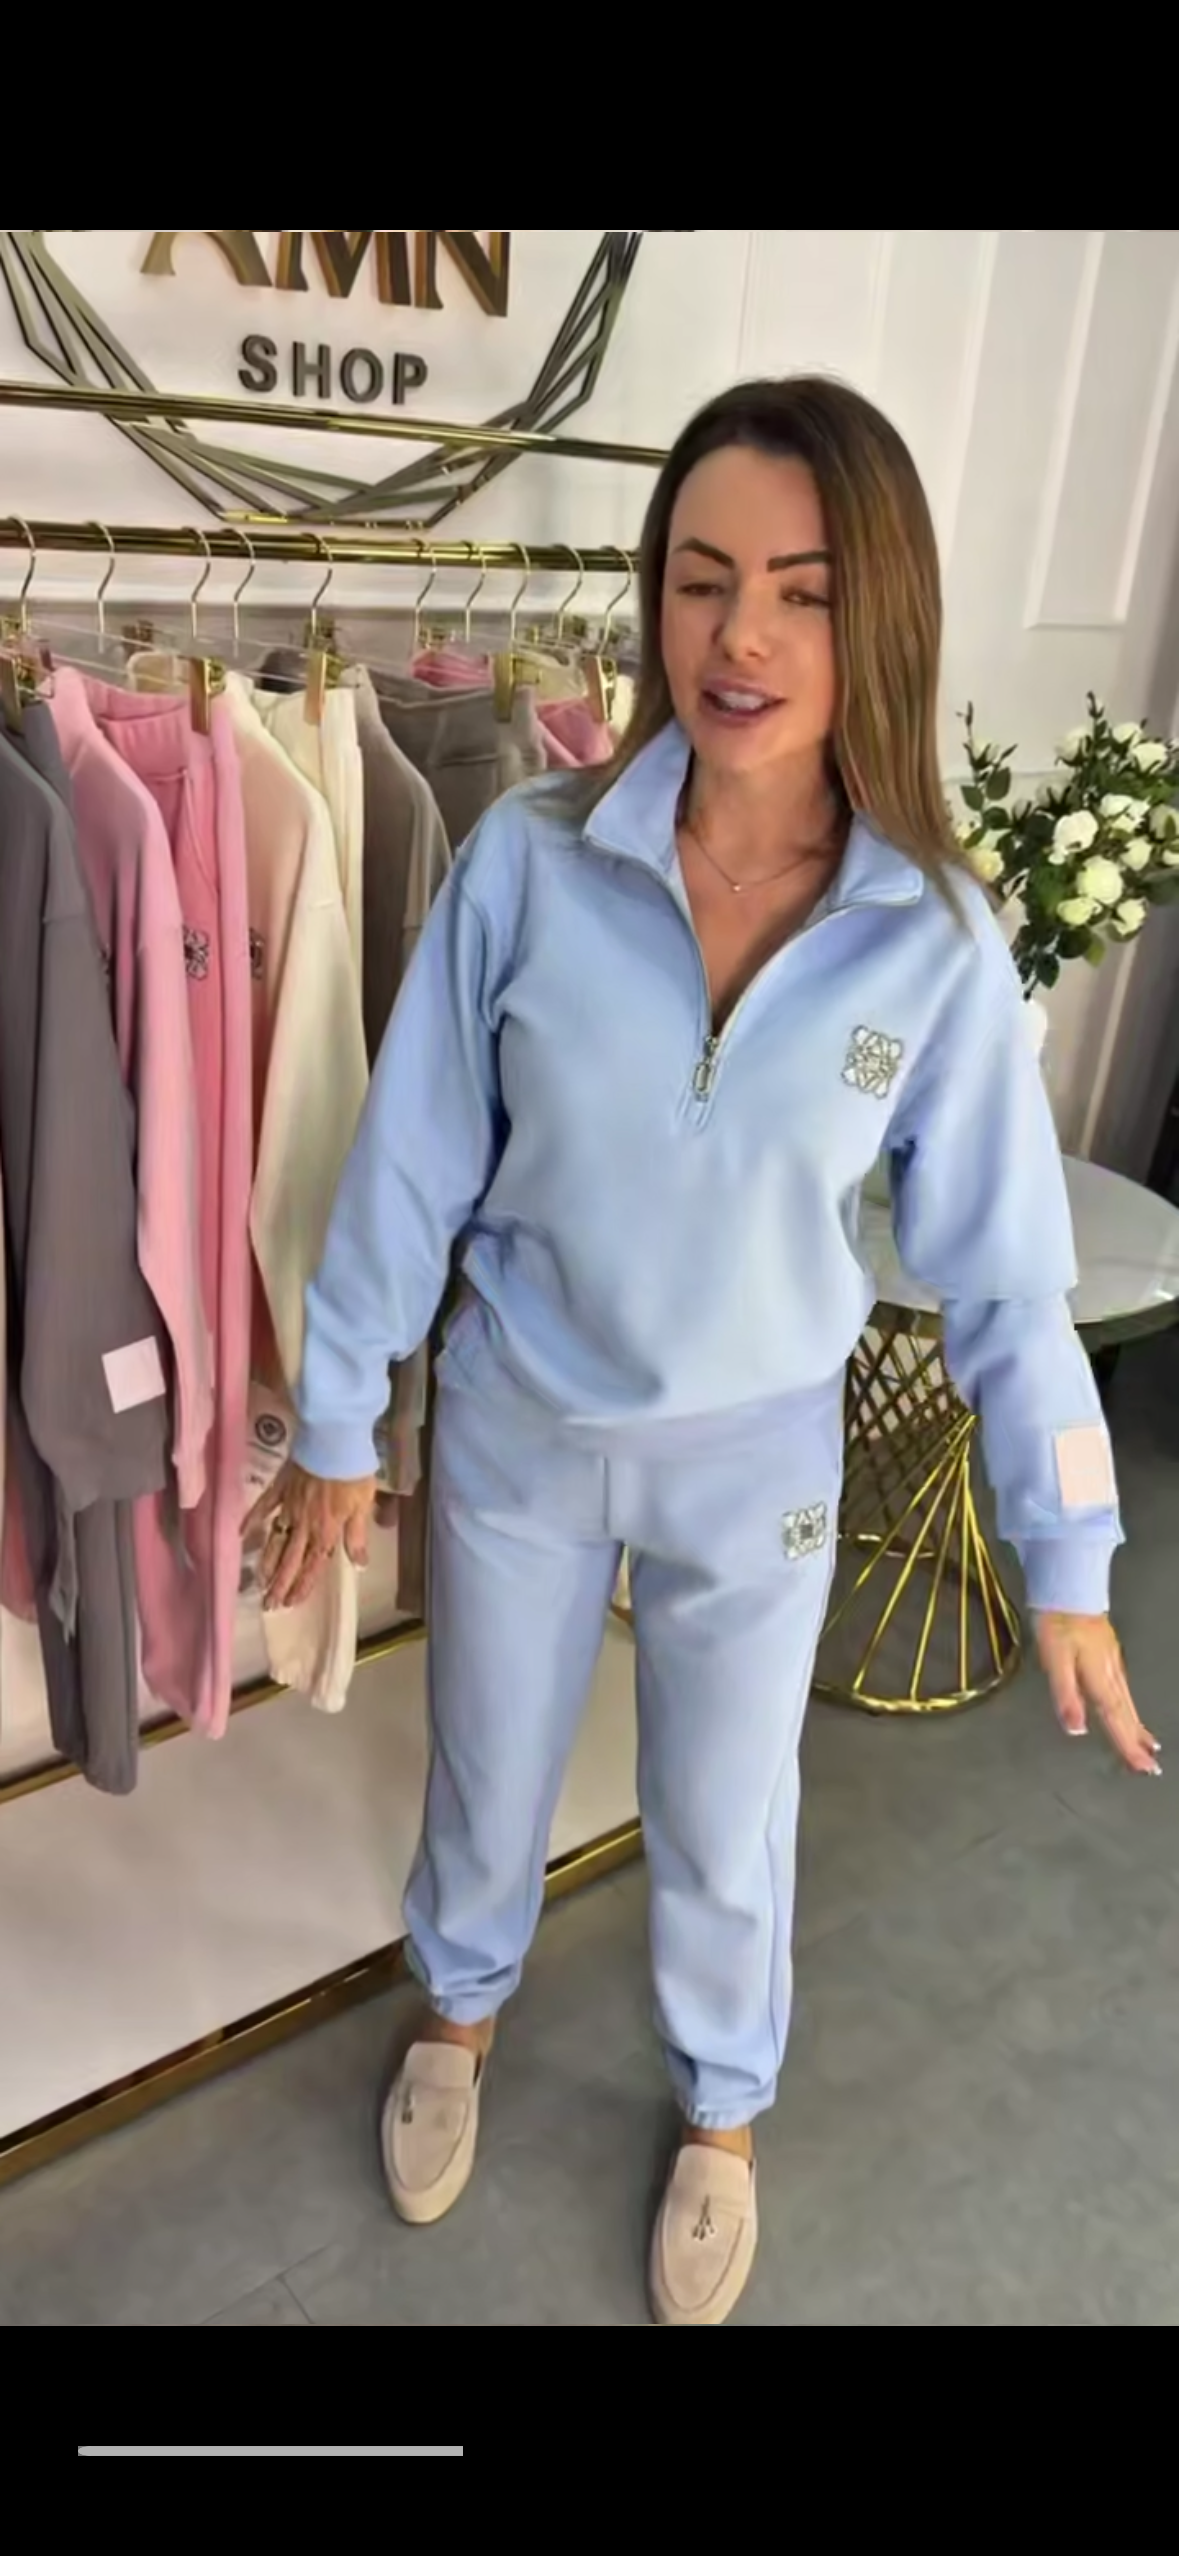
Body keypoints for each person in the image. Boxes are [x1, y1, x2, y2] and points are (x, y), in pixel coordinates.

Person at [248, 376, 1159, 2327]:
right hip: (519, 1424)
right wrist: (335, 1418)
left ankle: (722, 2109)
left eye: (802, 592)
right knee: (486, 1764)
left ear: (875, 617)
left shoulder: (931, 940)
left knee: (728, 1817)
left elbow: (1006, 1281)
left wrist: (1069, 1551)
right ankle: (458, 2010)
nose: (739, 637)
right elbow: (407, 1164)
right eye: (700, 578)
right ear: (655, 595)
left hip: (754, 1464)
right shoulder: (525, 861)